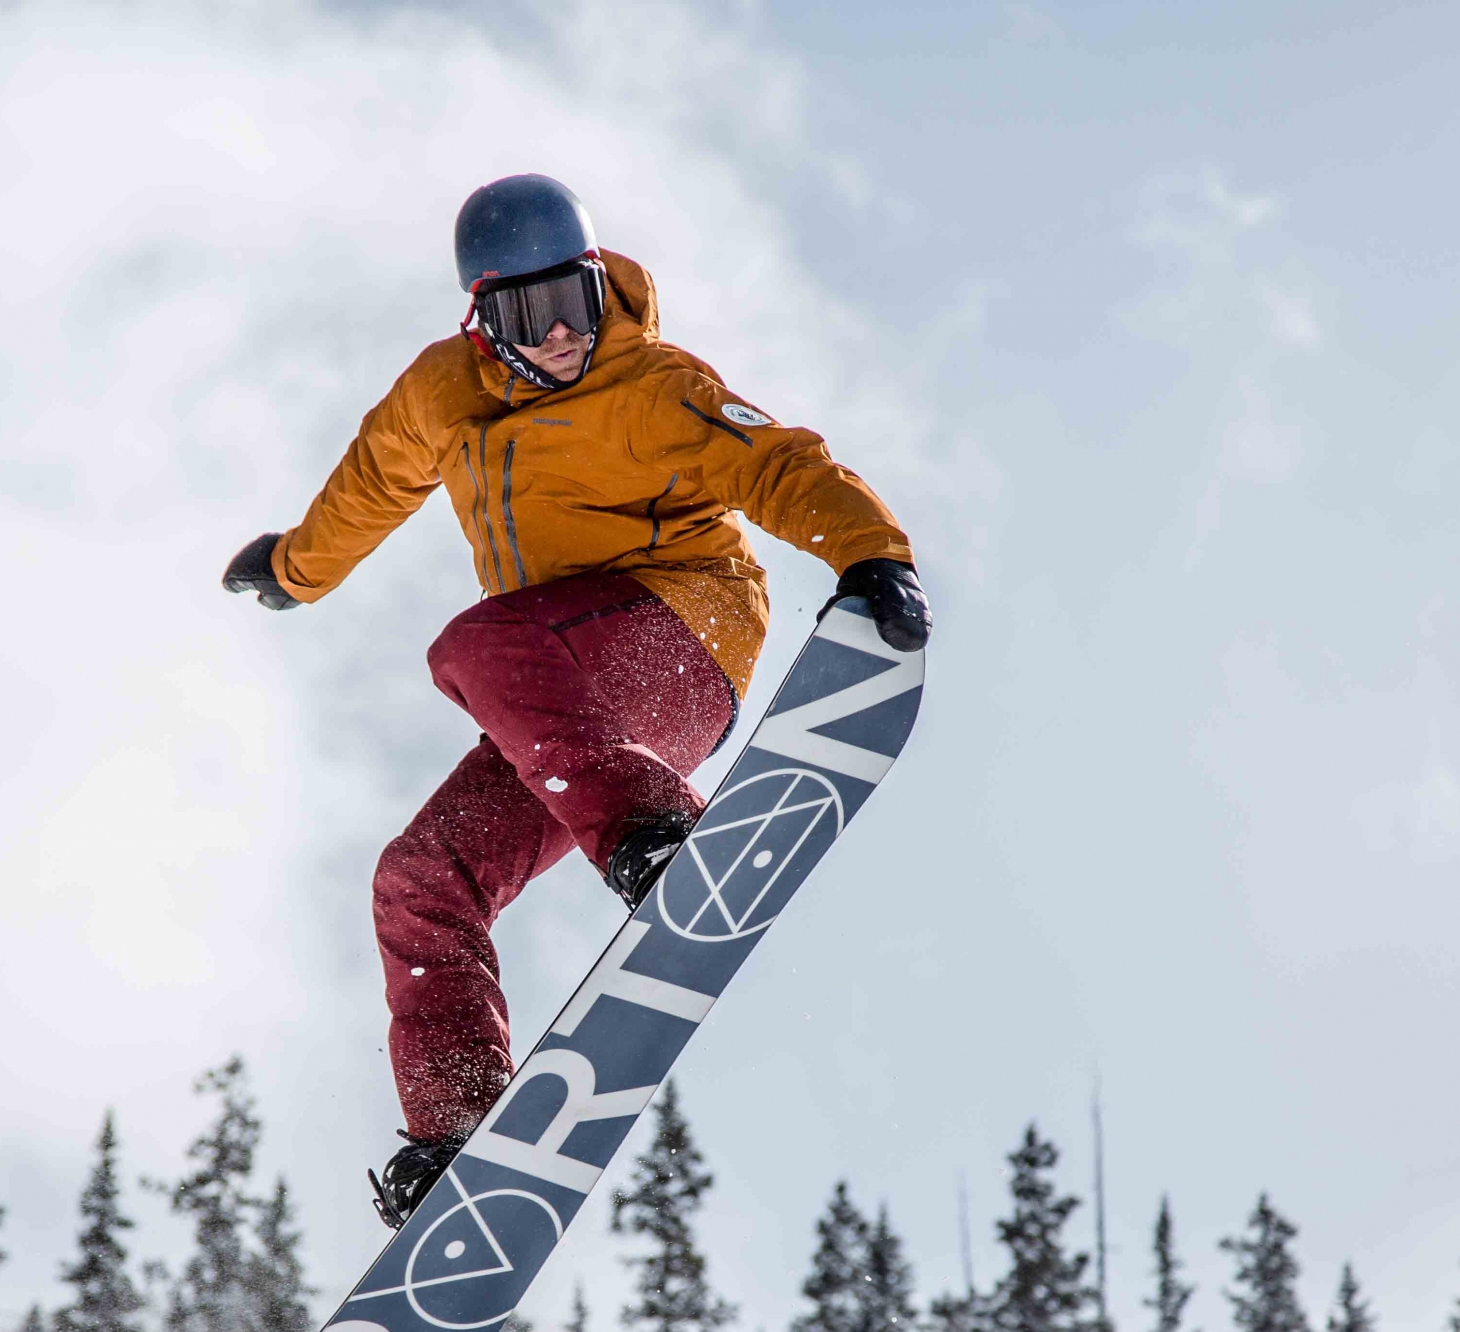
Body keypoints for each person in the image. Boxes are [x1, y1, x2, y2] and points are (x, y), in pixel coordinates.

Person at [223, 173, 930, 1227]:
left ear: (601, 286)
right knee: (419, 877)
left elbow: (778, 463)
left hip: (679, 642)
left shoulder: (652, 386)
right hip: (562, 704)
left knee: (474, 646)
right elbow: (370, 485)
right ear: (479, 318)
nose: (559, 334)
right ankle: (454, 1126)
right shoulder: (439, 396)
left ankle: (652, 834)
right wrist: (293, 568)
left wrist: (872, 556)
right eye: (525, 313)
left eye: (576, 301)